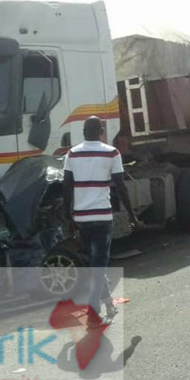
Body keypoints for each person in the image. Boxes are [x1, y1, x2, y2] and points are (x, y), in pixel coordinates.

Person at [63, 116, 141, 326]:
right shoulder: (111, 153)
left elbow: (66, 187)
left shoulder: (72, 153)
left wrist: (67, 217)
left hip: (81, 218)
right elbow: (121, 186)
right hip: (102, 218)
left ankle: (108, 305)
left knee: (95, 264)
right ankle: (93, 310)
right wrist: (132, 215)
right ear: (101, 131)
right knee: (98, 264)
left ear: (83, 132)